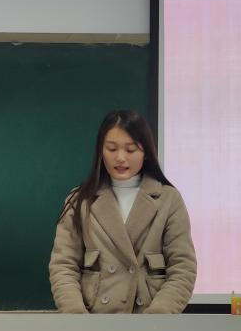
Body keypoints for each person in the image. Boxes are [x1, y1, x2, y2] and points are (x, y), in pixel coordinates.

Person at [49, 110, 197, 314]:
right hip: (93, 323)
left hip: (149, 323)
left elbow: (183, 269)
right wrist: (77, 318)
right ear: (101, 151)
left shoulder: (168, 200)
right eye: (111, 149)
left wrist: (158, 318)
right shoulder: (80, 200)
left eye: (130, 149)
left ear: (146, 152)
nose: (120, 158)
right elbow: (63, 266)